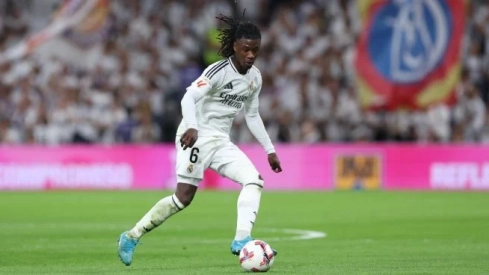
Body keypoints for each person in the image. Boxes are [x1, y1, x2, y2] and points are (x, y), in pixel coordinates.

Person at [117, 14, 282, 266]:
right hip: (195, 138)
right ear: (235, 46)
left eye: (255, 50)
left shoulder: (254, 78)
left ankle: (241, 239)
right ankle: (131, 235)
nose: (251, 54)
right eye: (246, 49)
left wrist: (269, 149)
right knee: (183, 198)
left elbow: (252, 115)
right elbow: (188, 98)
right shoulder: (217, 71)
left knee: (254, 180)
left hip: (221, 142)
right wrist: (192, 127)